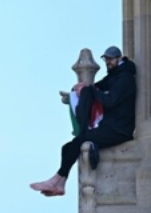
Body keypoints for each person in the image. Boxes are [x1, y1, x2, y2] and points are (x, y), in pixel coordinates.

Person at [30, 46, 137, 197]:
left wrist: (91, 91)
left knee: (79, 141)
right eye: (106, 59)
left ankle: (56, 179)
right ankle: (60, 184)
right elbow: (97, 86)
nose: (108, 62)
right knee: (67, 147)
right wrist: (79, 91)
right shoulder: (115, 75)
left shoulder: (125, 78)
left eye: (110, 59)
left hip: (119, 130)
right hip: (110, 126)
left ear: (119, 59)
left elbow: (110, 101)